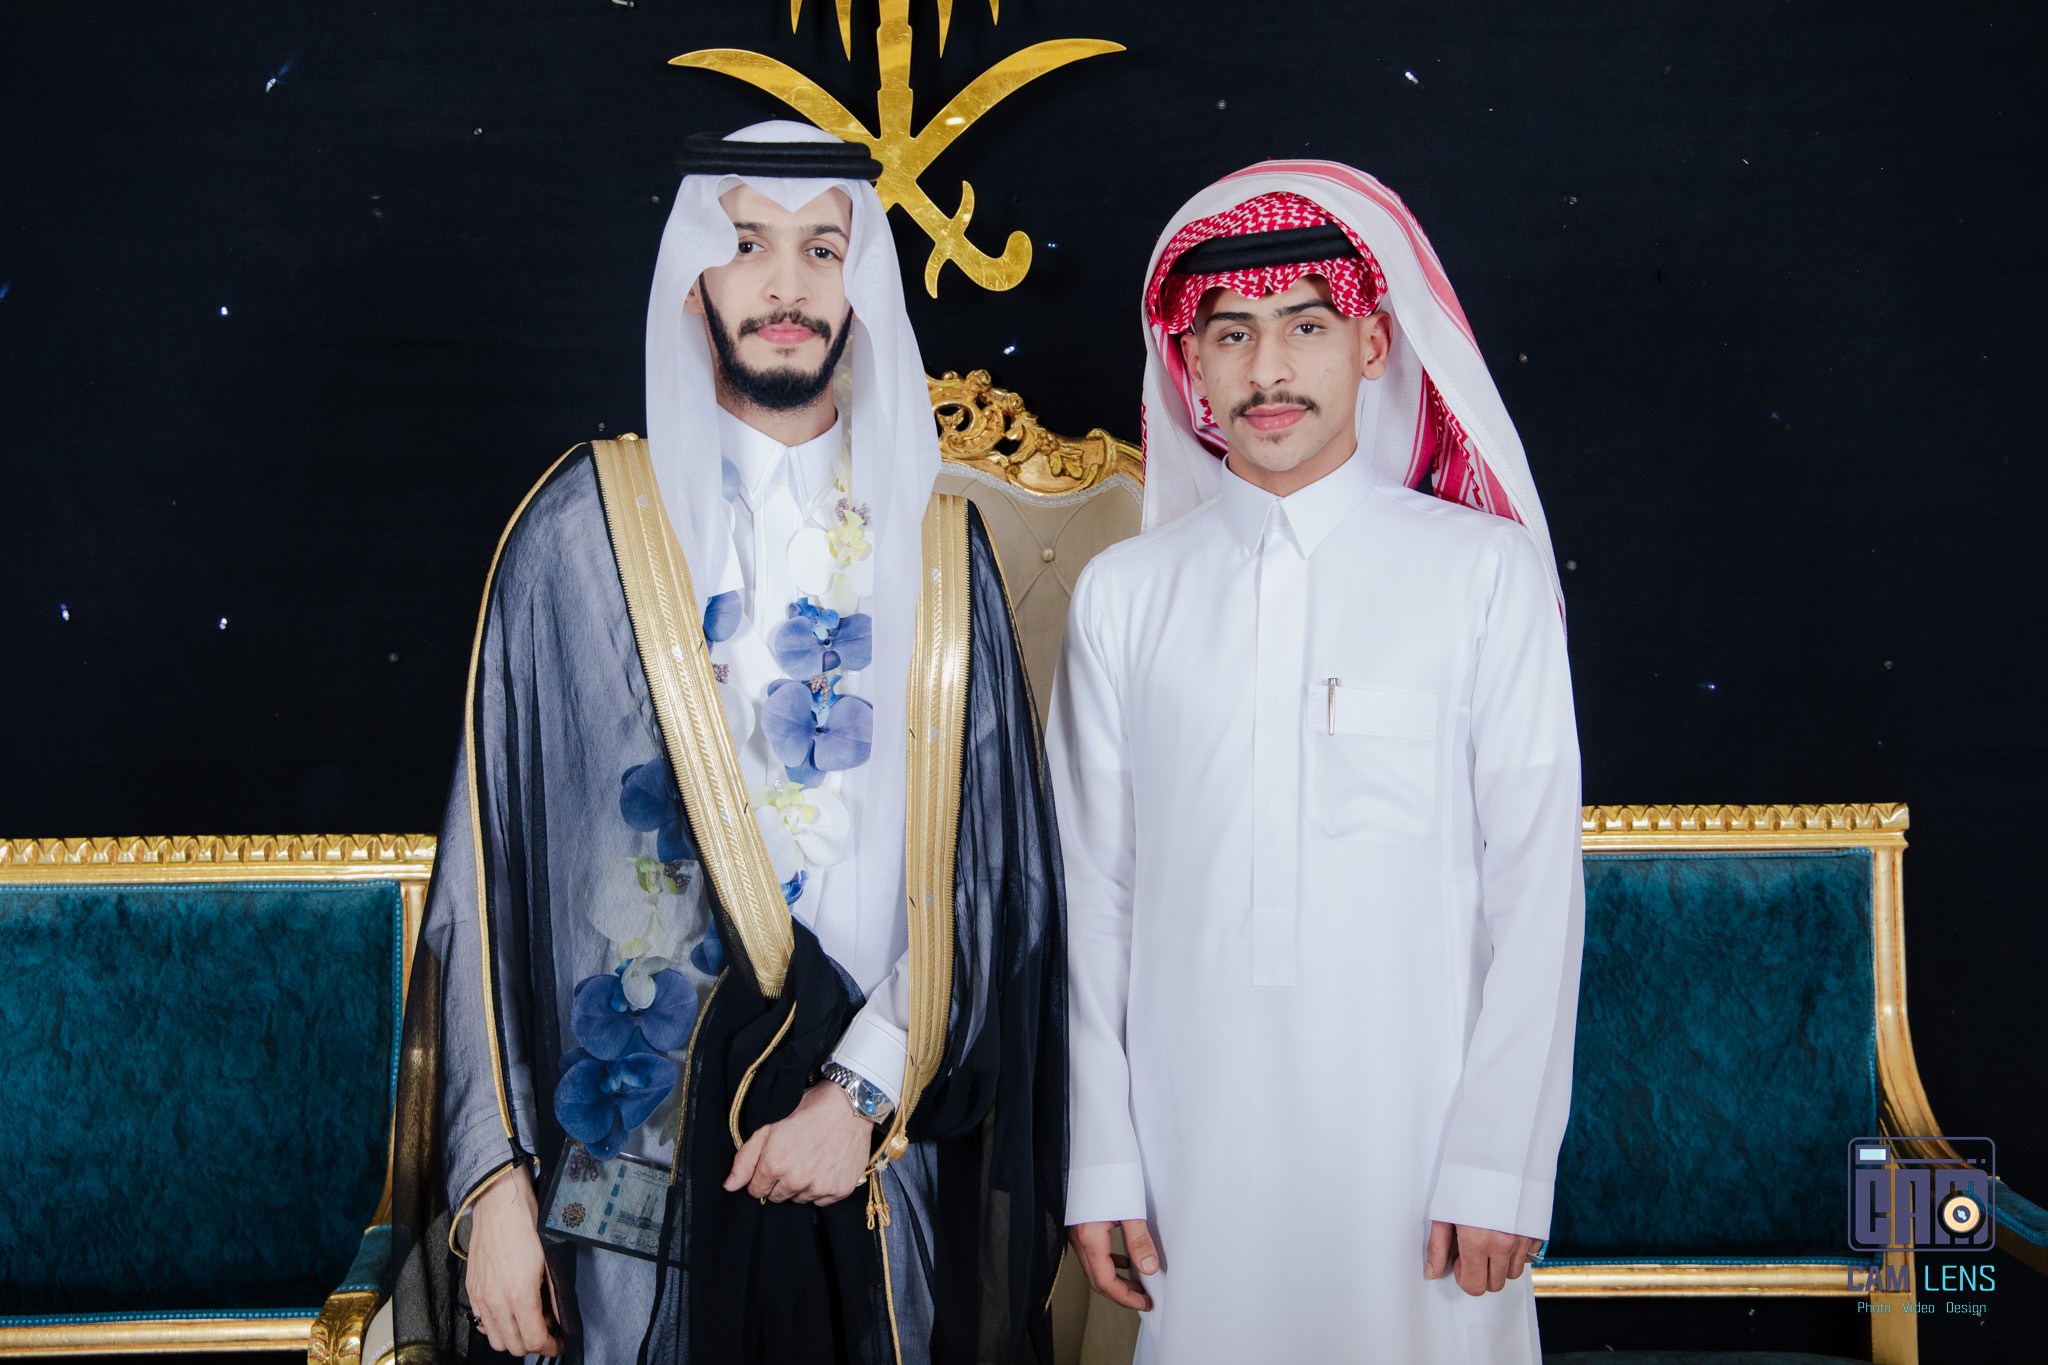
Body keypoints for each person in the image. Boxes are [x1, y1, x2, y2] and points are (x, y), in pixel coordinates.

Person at [383, 122, 1067, 1365]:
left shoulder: (936, 553)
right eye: (747, 244)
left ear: (860, 290)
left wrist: (857, 1097)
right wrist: (491, 1186)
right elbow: (487, 887)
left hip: (867, 1159)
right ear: (692, 281)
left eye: (821, 250)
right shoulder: (580, 533)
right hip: (630, 1170)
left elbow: (993, 879)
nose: (786, 284)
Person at [1048, 162, 1583, 1362]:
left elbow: (1535, 894)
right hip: (1190, 1147)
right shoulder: (1125, 595)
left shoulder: (1480, 575)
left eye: (1305, 325)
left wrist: (1499, 1162)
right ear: (1189, 364)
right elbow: (1091, 899)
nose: (1268, 370)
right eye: (1230, 334)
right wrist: (1100, 1159)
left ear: (1372, 344)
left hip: (1424, 1153)